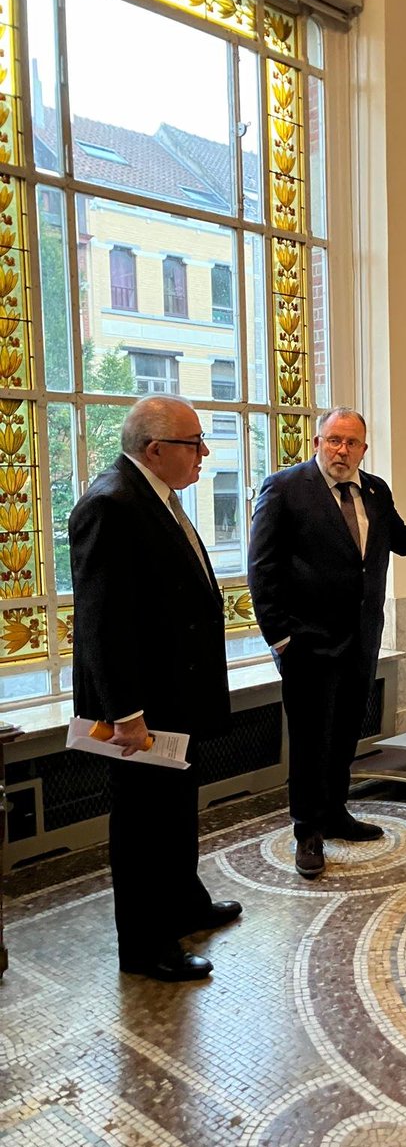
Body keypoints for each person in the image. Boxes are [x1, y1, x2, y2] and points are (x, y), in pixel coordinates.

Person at [247, 407, 406, 880]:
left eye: (351, 443)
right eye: (333, 440)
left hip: (361, 640)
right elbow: (262, 568)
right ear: (317, 442)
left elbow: (400, 539)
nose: (342, 450)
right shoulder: (284, 488)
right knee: (312, 741)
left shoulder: (374, 490)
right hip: (306, 645)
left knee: (343, 735)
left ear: (363, 449)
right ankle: (307, 832)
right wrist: (280, 638)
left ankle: (335, 813)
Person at [68, 395, 241, 982]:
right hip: (140, 710)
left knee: (174, 814)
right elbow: (101, 622)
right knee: (143, 829)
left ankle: (184, 905)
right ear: (156, 449)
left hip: (176, 697)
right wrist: (126, 713)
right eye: (195, 443)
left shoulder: (156, 497)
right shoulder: (111, 505)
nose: (204, 454)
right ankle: (145, 948)